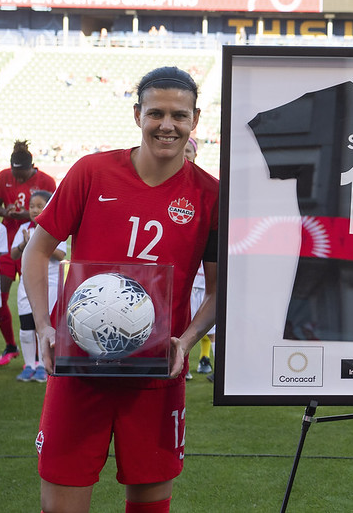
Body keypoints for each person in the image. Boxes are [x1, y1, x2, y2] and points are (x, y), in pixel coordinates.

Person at [22, 66, 219, 513]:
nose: (167, 125)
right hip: (78, 369)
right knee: (61, 505)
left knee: (150, 506)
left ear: (195, 120)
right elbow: (36, 252)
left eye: (178, 116)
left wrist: (185, 343)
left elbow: (219, 290)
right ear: (137, 116)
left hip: (155, 374)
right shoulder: (91, 172)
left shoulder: (210, 196)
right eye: (156, 113)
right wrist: (45, 327)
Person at [0, 140, 56, 366]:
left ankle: (38, 355)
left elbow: (54, 211)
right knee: (0, 297)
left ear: (32, 167)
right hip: (8, 243)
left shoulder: (46, 181)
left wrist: (28, 217)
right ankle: (12, 346)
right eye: (15, 174)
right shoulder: (3, 177)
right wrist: (7, 211)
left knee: (33, 295)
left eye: (22, 175)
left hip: (35, 242)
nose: (18, 179)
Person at [11, 190, 65, 383]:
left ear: (49, 207)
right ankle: (29, 365)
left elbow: (62, 255)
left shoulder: (56, 229)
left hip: (49, 285)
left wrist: (40, 247)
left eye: (39, 206)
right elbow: (14, 255)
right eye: (32, 206)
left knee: (44, 326)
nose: (34, 210)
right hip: (27, 285)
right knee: (26, 327)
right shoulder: (24, 229)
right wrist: (24, 245)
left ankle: (43, 365)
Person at [184, 137, 215, 380]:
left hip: (206, 274)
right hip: (186, 273)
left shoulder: (205, 187)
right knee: (183, 322)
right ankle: (182, 364)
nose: (185, 154)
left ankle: (210, 362)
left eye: (188, 151)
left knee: (210, 325)